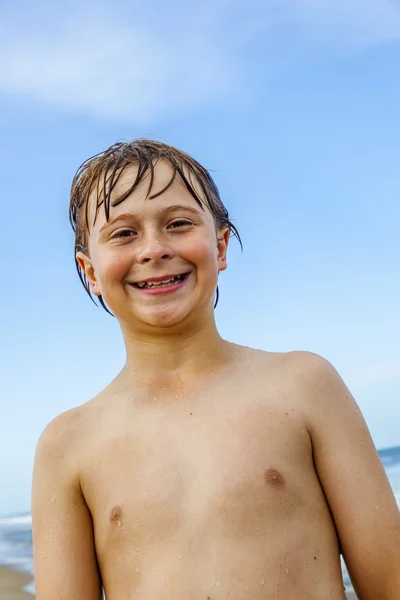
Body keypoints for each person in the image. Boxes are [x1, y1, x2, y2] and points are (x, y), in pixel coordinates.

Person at [31, 139, 400, 600]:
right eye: (124, 234)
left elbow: (389, 583)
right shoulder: (68, 445)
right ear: (91, 272)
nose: (154, 249)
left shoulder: (304, 387)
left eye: (178, 224)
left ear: (220, 246)